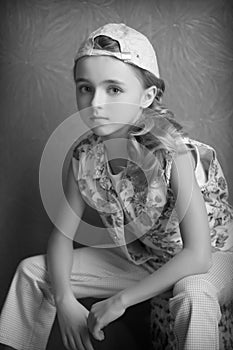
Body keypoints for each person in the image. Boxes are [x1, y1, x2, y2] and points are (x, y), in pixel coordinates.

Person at [0, 22, 233, 350]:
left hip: (214, 256)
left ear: (146, 96)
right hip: (147, 257)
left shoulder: (174, 152)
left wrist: (121, 300)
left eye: (114, 89)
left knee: (193, 292)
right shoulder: (84, 155)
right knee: (33, 272)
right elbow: (61, 238)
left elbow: (198, 256)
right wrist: (65, 299)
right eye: (85, 88)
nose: (96, 103)